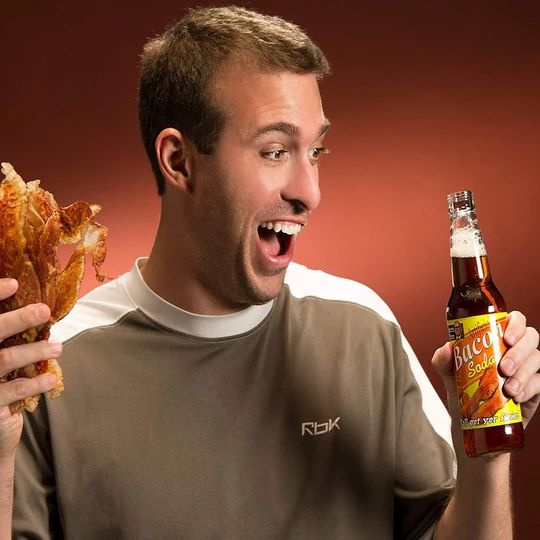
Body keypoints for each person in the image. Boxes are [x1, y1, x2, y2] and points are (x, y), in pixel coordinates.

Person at [1, 6, 539, 539]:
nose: (309, 192)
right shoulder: (50, 366)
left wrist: (485, 455)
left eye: (316, 150)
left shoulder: (362, 327)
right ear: (180, 161)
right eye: (276, 150)